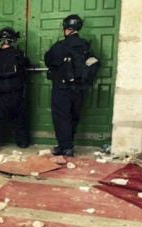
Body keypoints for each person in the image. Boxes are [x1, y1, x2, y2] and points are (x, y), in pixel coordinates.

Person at [44, 14, 100, 157]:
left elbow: (48, 60)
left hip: (62, 88)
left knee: (61, 117)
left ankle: (65, 147)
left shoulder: (60, 46)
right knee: (74, 116)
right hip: (79, 88)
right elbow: (94, 63)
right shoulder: (86, 46)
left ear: (67, 29)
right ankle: (67, 144)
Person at [0, 27, 30, 153]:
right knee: (20, 118)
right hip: (17, 94)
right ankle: (23, 142)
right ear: (12, 40)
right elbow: (25, 68)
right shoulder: (19, 55)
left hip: (0, 95)